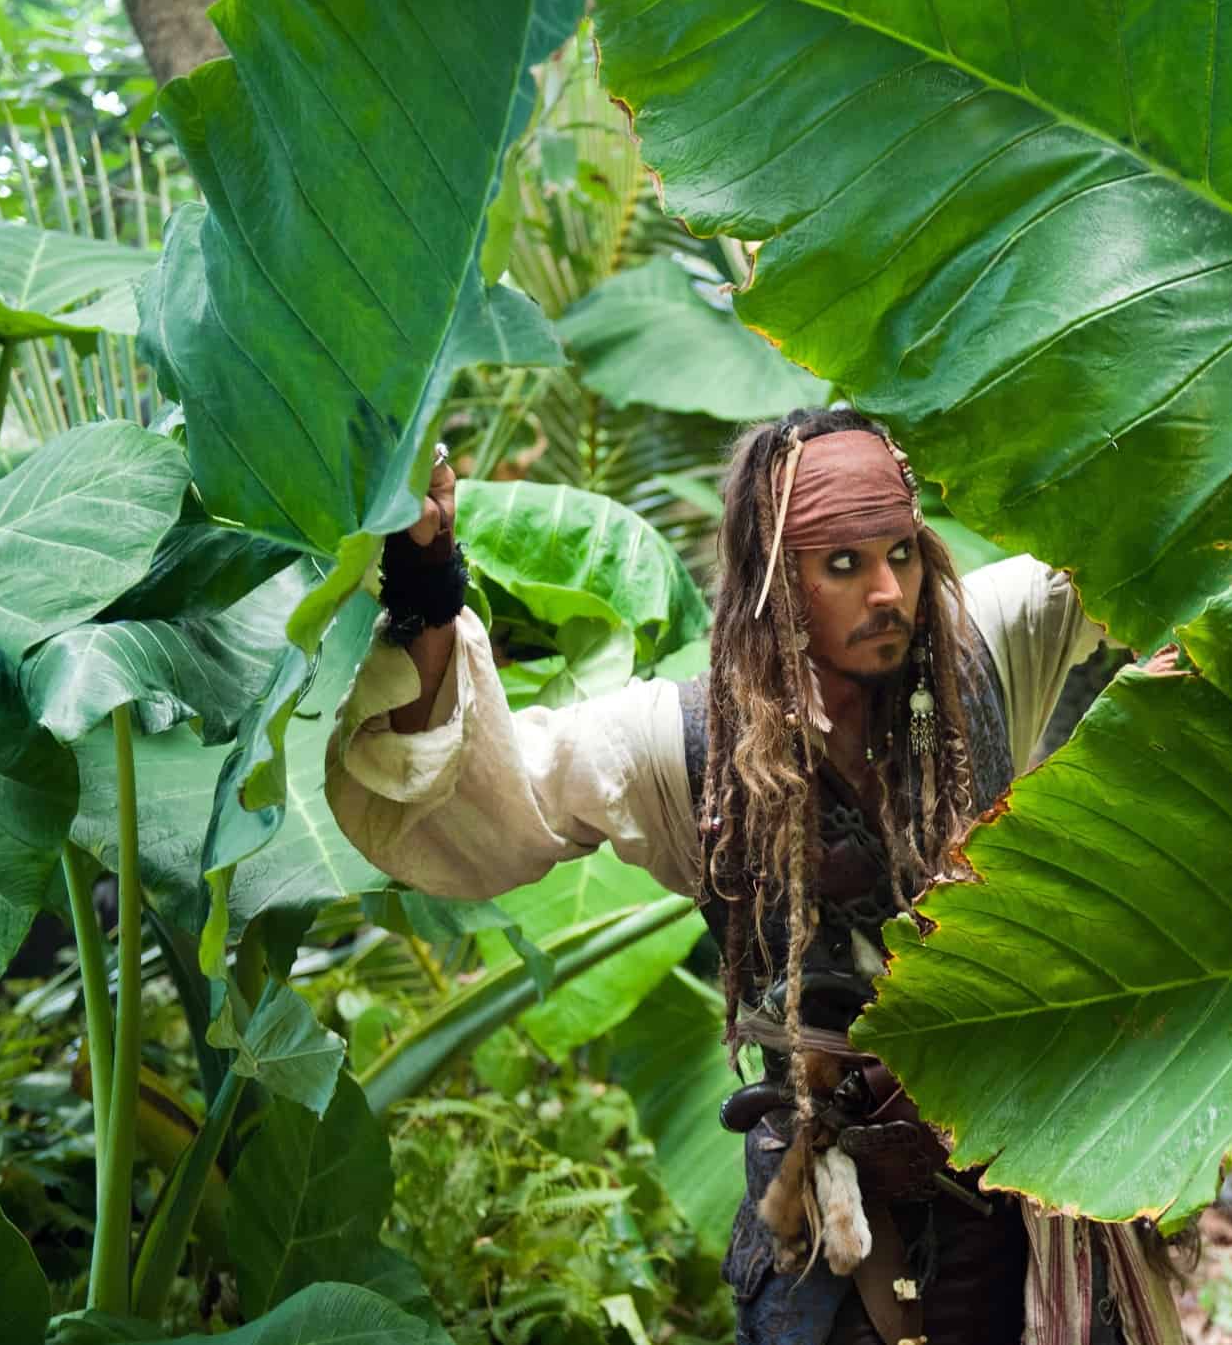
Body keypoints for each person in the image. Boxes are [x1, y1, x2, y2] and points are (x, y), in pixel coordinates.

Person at [327, 408, 1184, 1345]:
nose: (888, 591)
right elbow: (478, 802)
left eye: (900, 553)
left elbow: (1153, 526)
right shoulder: (681, 745)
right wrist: (424, 576)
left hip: (1026, 1189)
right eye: (844, 565)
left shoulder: (987, 644)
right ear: (778, 581)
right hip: (835, 1222)